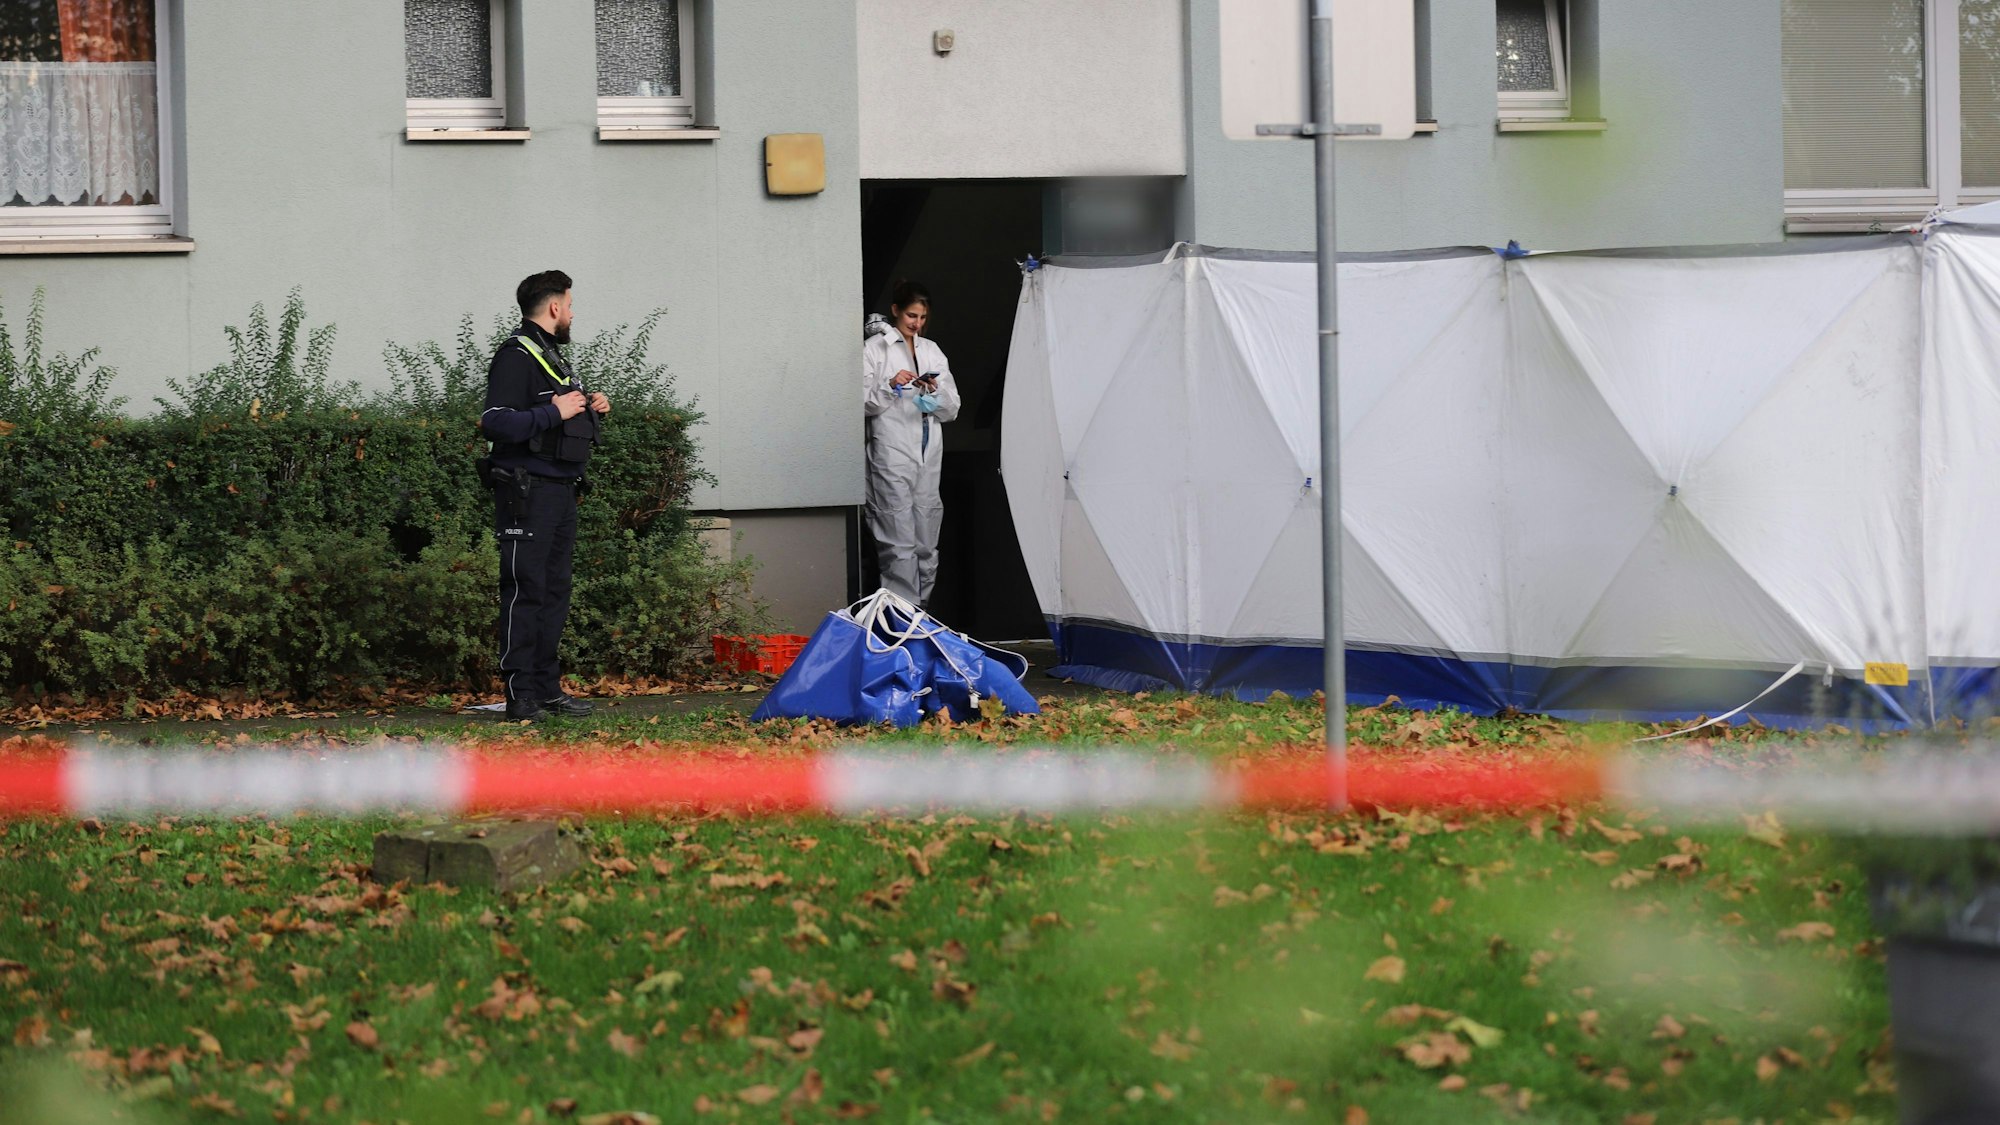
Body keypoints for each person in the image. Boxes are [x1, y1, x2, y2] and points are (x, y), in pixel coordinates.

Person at [479, 270, 611, 721]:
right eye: (570, 305)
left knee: (554, 591)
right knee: (526, 590)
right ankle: (521, 696)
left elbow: (555, 423)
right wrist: (553, 410)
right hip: (526, 491)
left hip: (558, 491)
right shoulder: (517, 355)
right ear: (554, 307)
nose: (572, 313)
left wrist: (589, 409)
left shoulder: (551, 356)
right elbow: (495, 421)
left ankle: (547, 689)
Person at [863, 280, 961, 605]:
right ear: (896, 311)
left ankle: (922, 615)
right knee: (898, 542)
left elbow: (952, 408)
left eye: (921, 317)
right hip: (891, 452)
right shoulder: (875, 349)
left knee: (926, 543)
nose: (916, 323)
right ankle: (900, 619)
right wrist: (891, 385)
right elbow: (860, 403)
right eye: (910, 316)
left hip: (927, 453)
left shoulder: (931, 350)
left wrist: (933, 390)